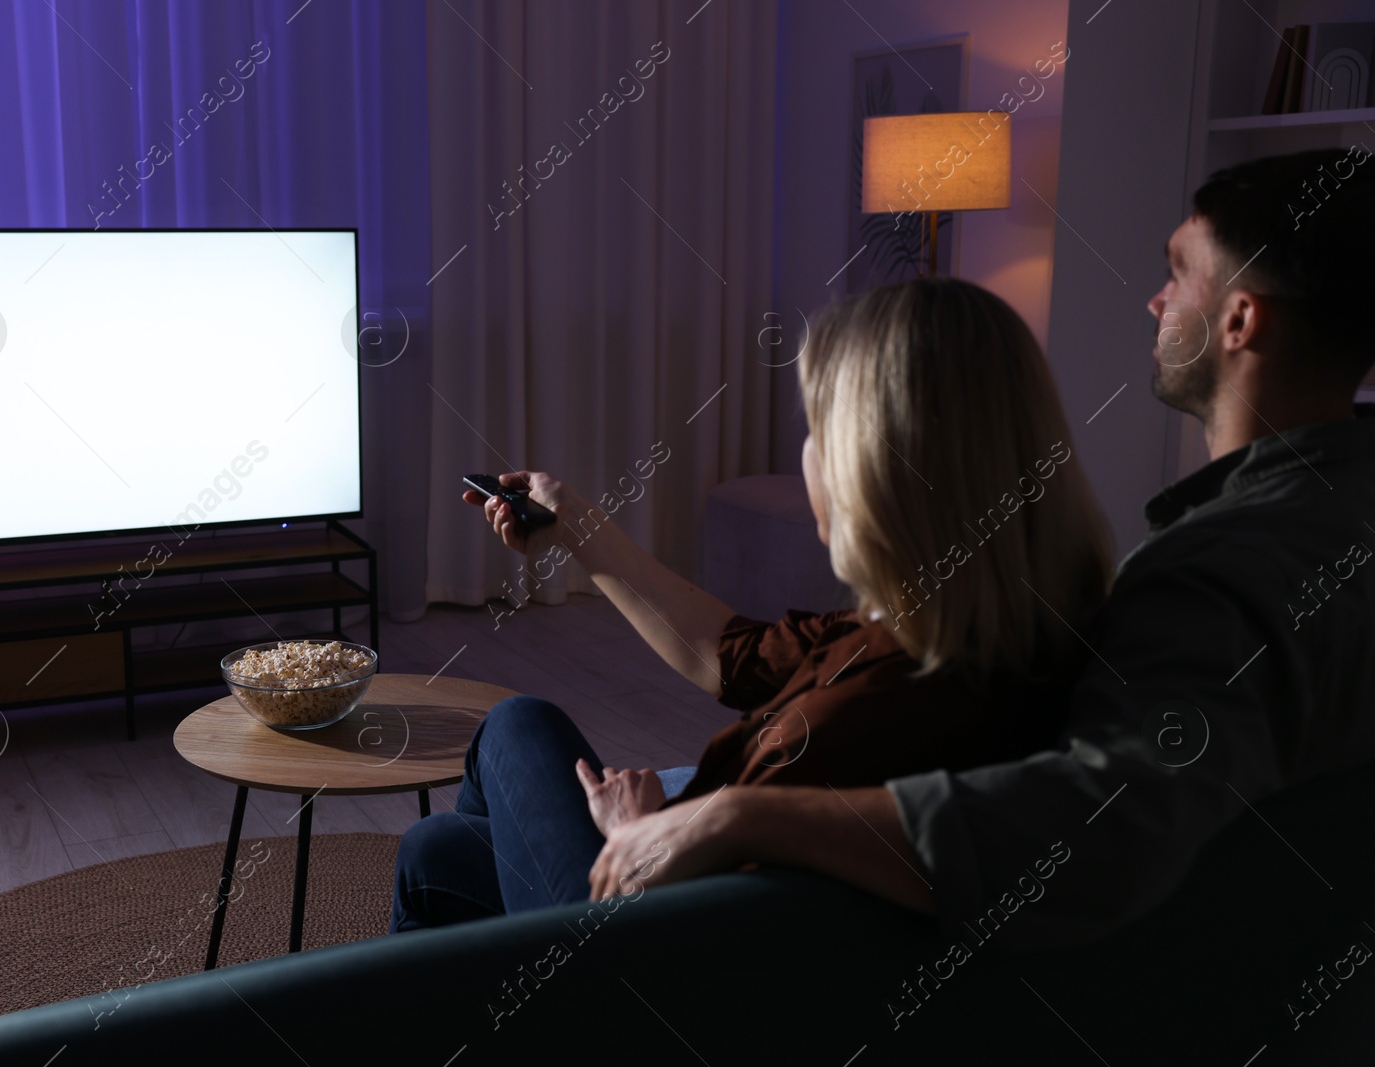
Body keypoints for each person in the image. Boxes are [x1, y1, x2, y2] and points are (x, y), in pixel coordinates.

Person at [586, 146, 1375, 947]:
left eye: (1179, 273)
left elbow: (1103, 827)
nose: (1154, 300)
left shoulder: (1209, 580)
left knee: (510, 755)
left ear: (1240, 318)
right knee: (459, 836)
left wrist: (742, 814)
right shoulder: (1324, 523)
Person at [390, 276, 1116, 931]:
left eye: (815, 430)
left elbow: (700, 908)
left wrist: (631, 828)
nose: (805, 453)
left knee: (516, 724)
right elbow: (730, 654)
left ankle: (501, 977)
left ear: (875, 469)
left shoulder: (871, 711)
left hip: (635, 957)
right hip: (674, 904)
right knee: (433, 851)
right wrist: (574, 520)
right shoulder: (960, 628)